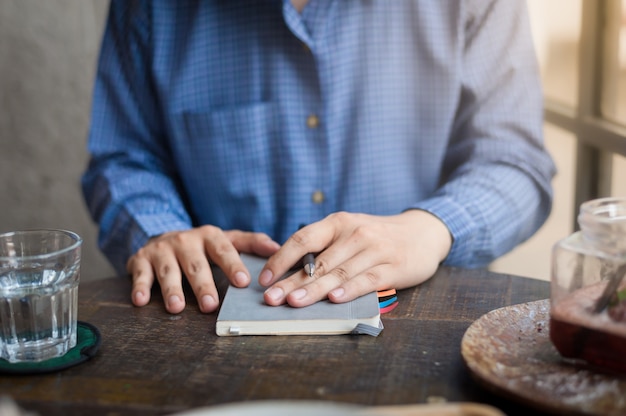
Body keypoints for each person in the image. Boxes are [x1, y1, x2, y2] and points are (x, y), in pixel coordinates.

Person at [82, 0, 555, 315]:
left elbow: (514, 161)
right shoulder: (150, 7)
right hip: (211, 326)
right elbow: (123, 158)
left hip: (424, 326)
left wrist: (430, 228)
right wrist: (160, 229)